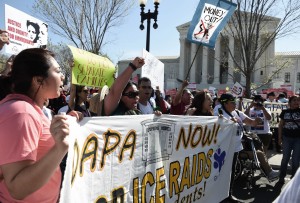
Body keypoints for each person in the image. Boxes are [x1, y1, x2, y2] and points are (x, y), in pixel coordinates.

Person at [0, 48, 80, 202]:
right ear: (38, 80)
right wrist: (59, 149)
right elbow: (17, 188)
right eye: (57, 71)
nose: (63, 77)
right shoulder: (22, 112)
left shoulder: (28, 110)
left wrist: (71, 120)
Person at [215, 93, 262, 203]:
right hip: (223, 148)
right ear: (225, 103)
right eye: (232, 102)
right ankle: (219, 195)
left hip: (235, 147)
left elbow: (250, 121)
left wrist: (256, 121)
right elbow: (220, 121)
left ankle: (229, 195)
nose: (235, 104)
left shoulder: (236, 112)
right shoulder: (219, 110)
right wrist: (230, 121)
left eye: (235, 102)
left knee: (231, 172)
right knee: (221, 173)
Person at [278, 95, 300, 184]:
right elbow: (280, 125)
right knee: (285, 158)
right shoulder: (284, 112)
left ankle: (294, 179)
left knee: (295, 160)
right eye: (294, 100)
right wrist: (279, 138)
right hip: (286, 138)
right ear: (290, 102)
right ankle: (281, 177)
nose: (296, 102)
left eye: (298, 100)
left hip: (298, 139)